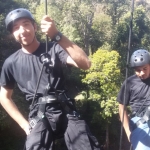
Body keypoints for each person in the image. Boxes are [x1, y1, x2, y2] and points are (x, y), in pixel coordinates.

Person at [0, 8, 100, 150]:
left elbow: (85, 64)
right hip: (39, 114)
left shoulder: (54, 48)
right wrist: (24, 125)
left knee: (87, 146)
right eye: (16, 28)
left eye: (26, 24)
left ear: (34, 27)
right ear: (13, 34)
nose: (22, 30)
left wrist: (57, 35)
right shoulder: (11, 63)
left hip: (66, 109)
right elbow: (4, 97)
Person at [117, 49, 150, 150]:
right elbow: (121, 106)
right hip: (141, 122)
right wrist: (128, 131)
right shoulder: (129, 83)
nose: (142, 73)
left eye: (145, 68)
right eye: (138, 70)